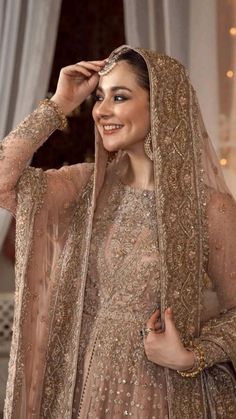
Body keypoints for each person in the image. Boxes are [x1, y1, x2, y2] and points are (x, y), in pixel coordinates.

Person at [1, 45, 236, 419]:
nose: (101, 110)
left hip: (162, 397)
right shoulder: (84, 188)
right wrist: (58, 104)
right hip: (82, 389)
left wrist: (192, 356)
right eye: (99, 98)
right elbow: (3, 182)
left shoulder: (209, 209)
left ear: (162, 105)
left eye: (120, 97)